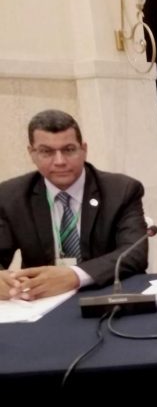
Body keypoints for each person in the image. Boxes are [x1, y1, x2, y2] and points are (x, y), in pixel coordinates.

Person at [0, 109, 148, 300]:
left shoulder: (121, 190)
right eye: (47, 152)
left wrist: (75, 276)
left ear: (83, 149)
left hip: (106, 295)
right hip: (40, 302)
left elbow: (134, 255)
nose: (60, 161)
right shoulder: (11, 196)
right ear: (32, 153)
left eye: (69, 150)